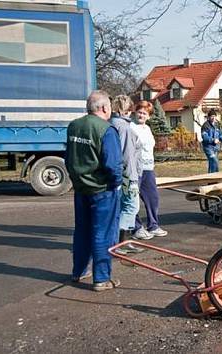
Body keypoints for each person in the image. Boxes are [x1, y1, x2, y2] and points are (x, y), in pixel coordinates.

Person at [65, 90, 122, 291]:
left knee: (82, 231)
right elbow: (114, 165)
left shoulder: (74, 126)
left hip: (81, 189)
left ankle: (79, 271)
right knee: (103, 233)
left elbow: (68, 158)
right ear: (105, 108)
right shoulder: (106, 129)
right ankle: (101, 278)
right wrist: (116, 184)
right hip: (102, 190)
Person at [110, 95, 145, 254]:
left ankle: (122, 241)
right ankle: (120, 242)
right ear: (125, 110)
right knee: (131, 206)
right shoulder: (123, 127)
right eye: (130, 109)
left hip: (122, 174)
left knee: (125, 207)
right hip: (127, 175)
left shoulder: (113, 124)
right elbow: (127, 154)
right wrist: (133, 177)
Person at [131, 101, 168, 239]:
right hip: (135, 168)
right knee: (133, 199)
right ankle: (136, 228)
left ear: (149, 116)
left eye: (144, 113)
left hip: (148, 168)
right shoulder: (131, 127)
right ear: (135, 112)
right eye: (139, 112)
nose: (141, 115)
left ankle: (153, 225)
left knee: (152, 198)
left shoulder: (146, 128)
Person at [201, 109, 222, 173]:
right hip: (208, 147)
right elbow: (204, 137)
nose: (213, 118)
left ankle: (211, 179)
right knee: (214, 160)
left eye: (214, 116)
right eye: (211, 116)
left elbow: (221, 135)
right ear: (208, 117)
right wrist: (213, 140)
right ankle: (215, 177)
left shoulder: (217, 125)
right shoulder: (205, 126)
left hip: (215, 148)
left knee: (212, 163)